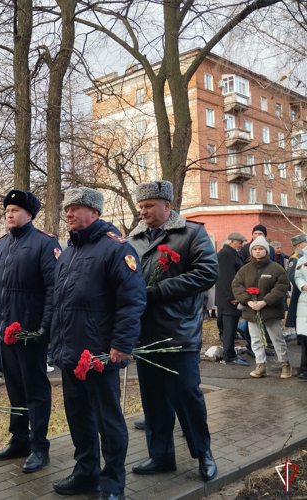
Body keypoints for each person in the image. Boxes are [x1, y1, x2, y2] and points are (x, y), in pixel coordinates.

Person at [50, 187, 146, 500]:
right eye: (67, 209)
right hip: (71, 353)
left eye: (76, 208)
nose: (69, 214)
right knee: (78, 418)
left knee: (108, 421)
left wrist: (121, 345)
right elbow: (60, 303)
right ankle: (86, 474)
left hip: (100, 354)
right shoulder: (68, 252)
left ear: (94, 212)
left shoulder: (116, 249)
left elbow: (132, 301)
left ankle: (113, 483)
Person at [128, 180, 218, 482]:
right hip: (145, 333)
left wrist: (157, 290)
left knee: (186, 396)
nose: (143, 212)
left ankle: (203, 453)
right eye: (141, 207)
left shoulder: (192, 233)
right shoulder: (134, 239)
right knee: (153, 399)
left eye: (149, 206)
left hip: (178, 331)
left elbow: (206, 273)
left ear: (167, 206)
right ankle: (161, 456)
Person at [0, 189, 60, 473]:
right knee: (14, 389)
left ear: (29, 214)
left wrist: (45, 327)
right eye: (7, 209)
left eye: (15, 209)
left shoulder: (44, 243)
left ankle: (40, 446)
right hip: (4, 333)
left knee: (36, 390)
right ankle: (19, 439)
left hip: (31, 332)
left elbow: (55, 289)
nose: (9, 213)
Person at [231, 236, 291, 379]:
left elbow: (281, 287)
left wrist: (265, 301)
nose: (258, 252)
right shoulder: (245, 269)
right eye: (255, 249)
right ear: (251, 251)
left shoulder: (276, 268)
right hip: (251, 310)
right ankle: (260, 365)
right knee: (255, 339)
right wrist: (247, 301)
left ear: (266, 251)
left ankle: (285, 364)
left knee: (277, 338)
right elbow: (237, 285)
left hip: (271, 310)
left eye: (261, 249)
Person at [215, 233, 248, 366]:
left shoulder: (232, 253)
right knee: (229, 328)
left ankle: (231, 354)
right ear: (232, 241)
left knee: (232, 327)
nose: (241, 245)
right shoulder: (225, 254)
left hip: (230, 297)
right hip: (228, 298)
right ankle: (229, 356)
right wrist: (232, 297)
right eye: (240, 242)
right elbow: (226, 277)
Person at [285, 234, 307, 333]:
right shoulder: (295, 258)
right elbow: (292, 275)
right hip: (300, 291)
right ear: (298, 245)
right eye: (305, 242)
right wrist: (302, 285)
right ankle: (300, 336)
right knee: (299, 315)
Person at [292, 250, 307, 380]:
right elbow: (298, 276)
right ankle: (305, 369)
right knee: (306, 340)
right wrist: (303, 285)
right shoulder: (302, 259)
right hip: (306, 301)